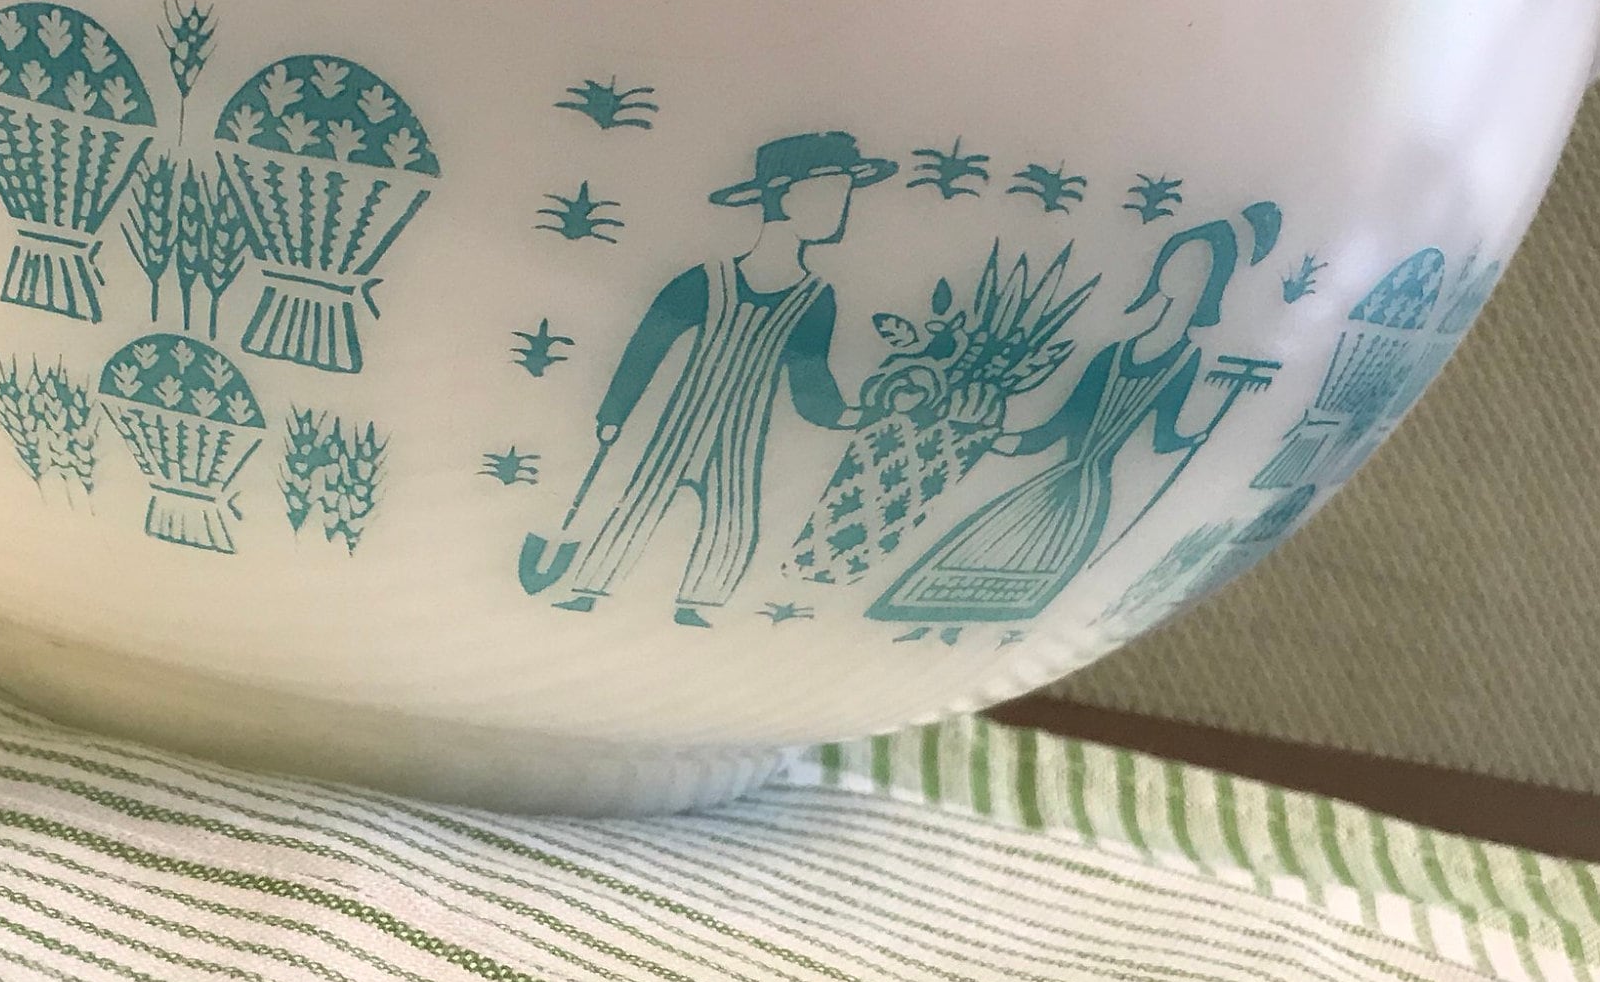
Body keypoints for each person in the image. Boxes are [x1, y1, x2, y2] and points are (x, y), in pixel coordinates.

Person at [537, 132, 892, 625]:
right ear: (785, 195)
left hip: (742, 432)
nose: (842, 206)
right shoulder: (708, 278)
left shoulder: (815, 297)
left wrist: (847, 416)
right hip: (684, 419)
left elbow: (809, 376)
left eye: (845, 193)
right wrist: (614, 411)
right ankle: (587, 589)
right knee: (640, 500)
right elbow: (647, 346)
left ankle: (698, 605)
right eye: (830, 192)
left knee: (734, 517)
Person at [865, 203, 1279, 626]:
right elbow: (1061, 424)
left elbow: (1161, 438)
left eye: (1195, 266)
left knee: (1034, 566)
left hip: (1088, 490)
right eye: (1176, 258)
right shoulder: (1112, 353)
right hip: (1061, 479)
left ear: (1211, 284)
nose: (1177, 273)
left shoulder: (1184, 362)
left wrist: (1204, 438)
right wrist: (997, 439)